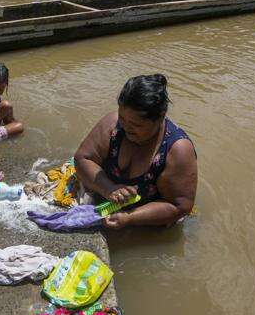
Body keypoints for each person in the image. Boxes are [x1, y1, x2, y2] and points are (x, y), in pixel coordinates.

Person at [74, 74, 197, 229]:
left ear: (160, 117)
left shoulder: (177, 150)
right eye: (122, 119)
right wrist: (109, 189)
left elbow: (180, 205)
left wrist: (130, 218)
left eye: (136, 125)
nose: (126, 128)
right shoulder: (113, 125)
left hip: (149, 222)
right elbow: (82, 159)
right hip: (106, 201)